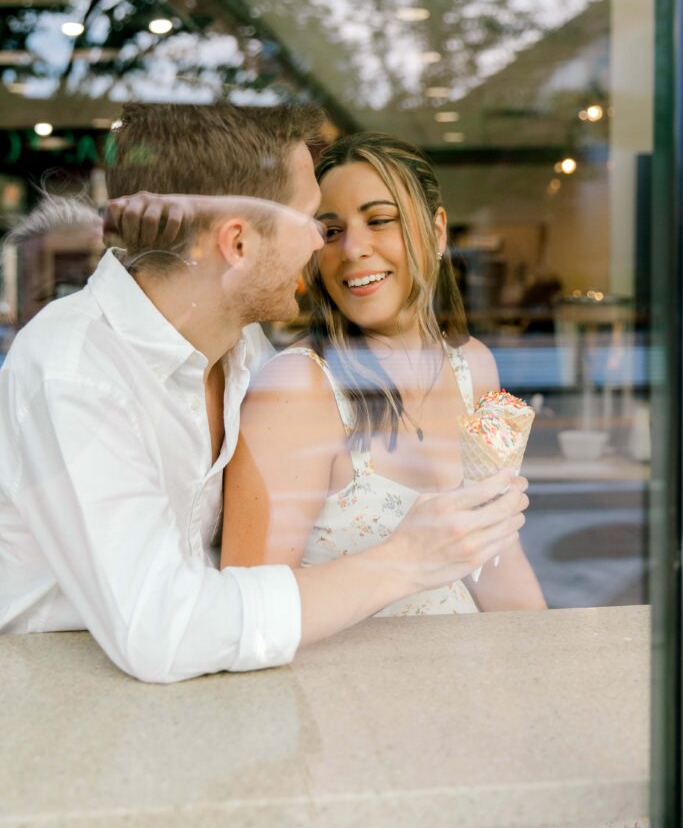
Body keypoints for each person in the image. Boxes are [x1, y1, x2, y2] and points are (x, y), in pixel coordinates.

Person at [0, 105, 529, 683]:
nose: (329, 247)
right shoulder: (75, 372)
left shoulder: (239, 345)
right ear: (238, 244)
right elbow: (162, 631)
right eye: (312, 222)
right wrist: (408, 559)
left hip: (184, 688)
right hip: (55, 694)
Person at [222, 132, 546, 613]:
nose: (353, 249)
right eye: (331, 231)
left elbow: (496, 557)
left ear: (437, 231)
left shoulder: (473, 366)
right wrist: (403, 560)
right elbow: (248, 608)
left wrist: (546, 671)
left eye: (379, 220)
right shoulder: (298, 389)